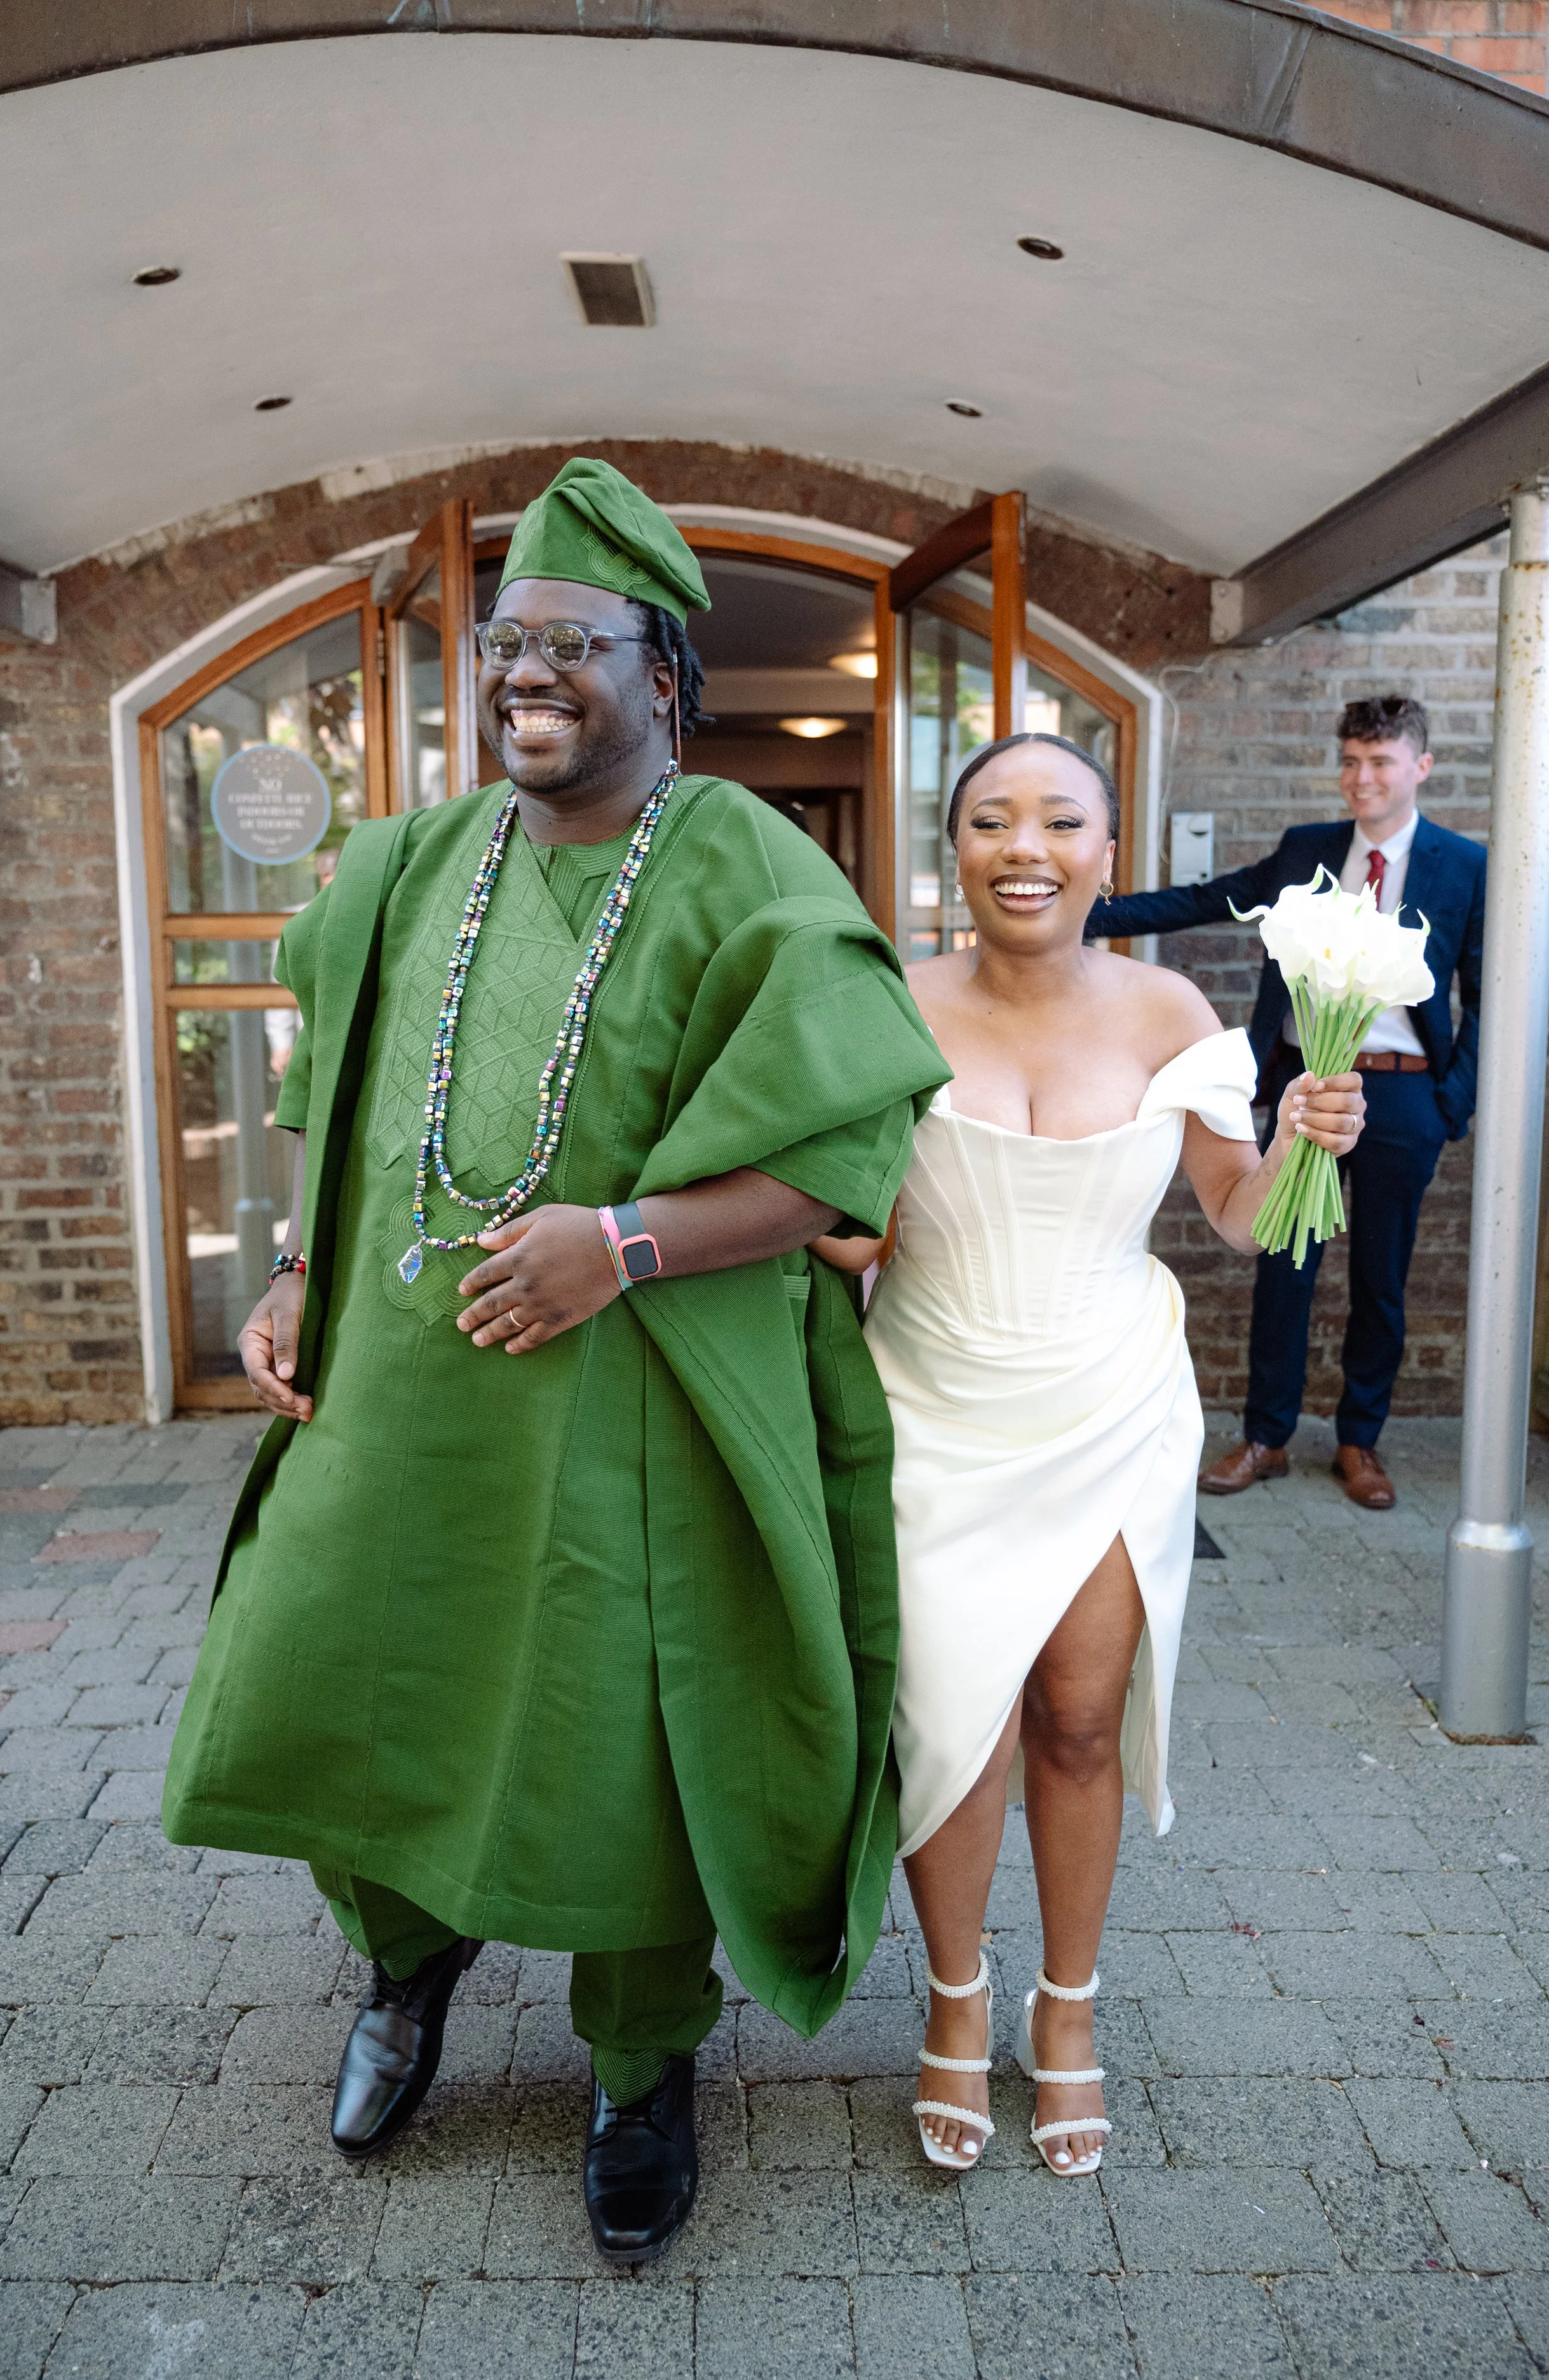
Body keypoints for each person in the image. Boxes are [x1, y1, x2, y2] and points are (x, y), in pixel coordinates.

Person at [161, 458, 948, 2264]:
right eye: (505, 642)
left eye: (571, 644)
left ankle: (641, 2065)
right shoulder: (408, 862)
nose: (525, 672)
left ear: (660, 675)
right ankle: (404, 1974)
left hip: (631, 1408)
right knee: (364, 1672)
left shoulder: (748, 863)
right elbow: (334, 1098)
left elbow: (846, 1158)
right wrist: (292, 1269)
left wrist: (625, 1244)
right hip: (401, 1399)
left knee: (621, 1736)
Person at [816, 732, 1363, 2175]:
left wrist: (1308, 1141)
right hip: (934, 1407)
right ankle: (954, 1998)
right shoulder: (888, 1004)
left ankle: (1066, 2008)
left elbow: (1238, 1213)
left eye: (1060, 821)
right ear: (954, 851)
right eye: (992, 821)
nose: (1026, 848)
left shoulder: (1168, 1007)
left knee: (1075, 1718)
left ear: (1107, 853)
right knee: (956, 1726)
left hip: (1112, 1406)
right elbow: (857, 1235)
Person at [1085, 695, 1485, 1509]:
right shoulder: (1307, 849)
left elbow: (1487, 991)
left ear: (1420, 767)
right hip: (1306, 1087)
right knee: (1283, 1262)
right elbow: (1208, 898)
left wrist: (1452, 1101)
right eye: (1350, 761)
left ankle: (1359, 1440)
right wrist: (1081, 912)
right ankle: (1265, 1436)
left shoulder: (1463, 864)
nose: (1360, 778)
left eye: (1379, 761)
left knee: (1380, 1276)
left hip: (1404, 1091)